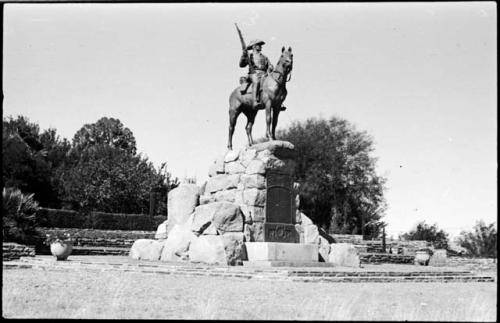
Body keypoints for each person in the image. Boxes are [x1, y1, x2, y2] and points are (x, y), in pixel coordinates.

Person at [239, 39, 273, 109]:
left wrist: (270, 67)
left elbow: (269, 64)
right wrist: (243, 55)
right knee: (256, 80)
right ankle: (254, 101)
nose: (261, 46)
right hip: (253, 74)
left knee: (274, 83)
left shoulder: (264, 57)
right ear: (254, 46)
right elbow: (241, 65)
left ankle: (278, 102)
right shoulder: (249, 56)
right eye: (259, 45)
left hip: (264, 74)